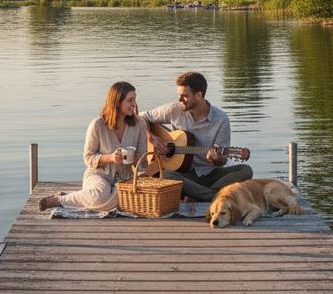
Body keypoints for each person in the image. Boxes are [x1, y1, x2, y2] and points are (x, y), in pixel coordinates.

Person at [140, 71, 252, 202]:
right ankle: (213, 196)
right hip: (182, 174)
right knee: (165, 175)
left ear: (199, 95)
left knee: (245, 170)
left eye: (184, 96)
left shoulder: (221, 119)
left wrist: (216, 159)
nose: (180, 100)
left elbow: (222, 161)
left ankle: (198, 195)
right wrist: (151, 138)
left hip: (210, 174)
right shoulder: (174, 109)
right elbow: (142, 117)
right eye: (179, 95)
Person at [39, 81, 149, 212]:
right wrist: (110, 158)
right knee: (101, 195)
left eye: (135, 100)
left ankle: (81, 197)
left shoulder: (140, 124)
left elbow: (143, 159)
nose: (134, 104)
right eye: (130, 100)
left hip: (127, 177)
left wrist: (137, 159)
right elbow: (88, 158)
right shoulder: (97, 125)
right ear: (117, 102)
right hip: (99, 175)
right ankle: (60, 200)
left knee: (132, 196)